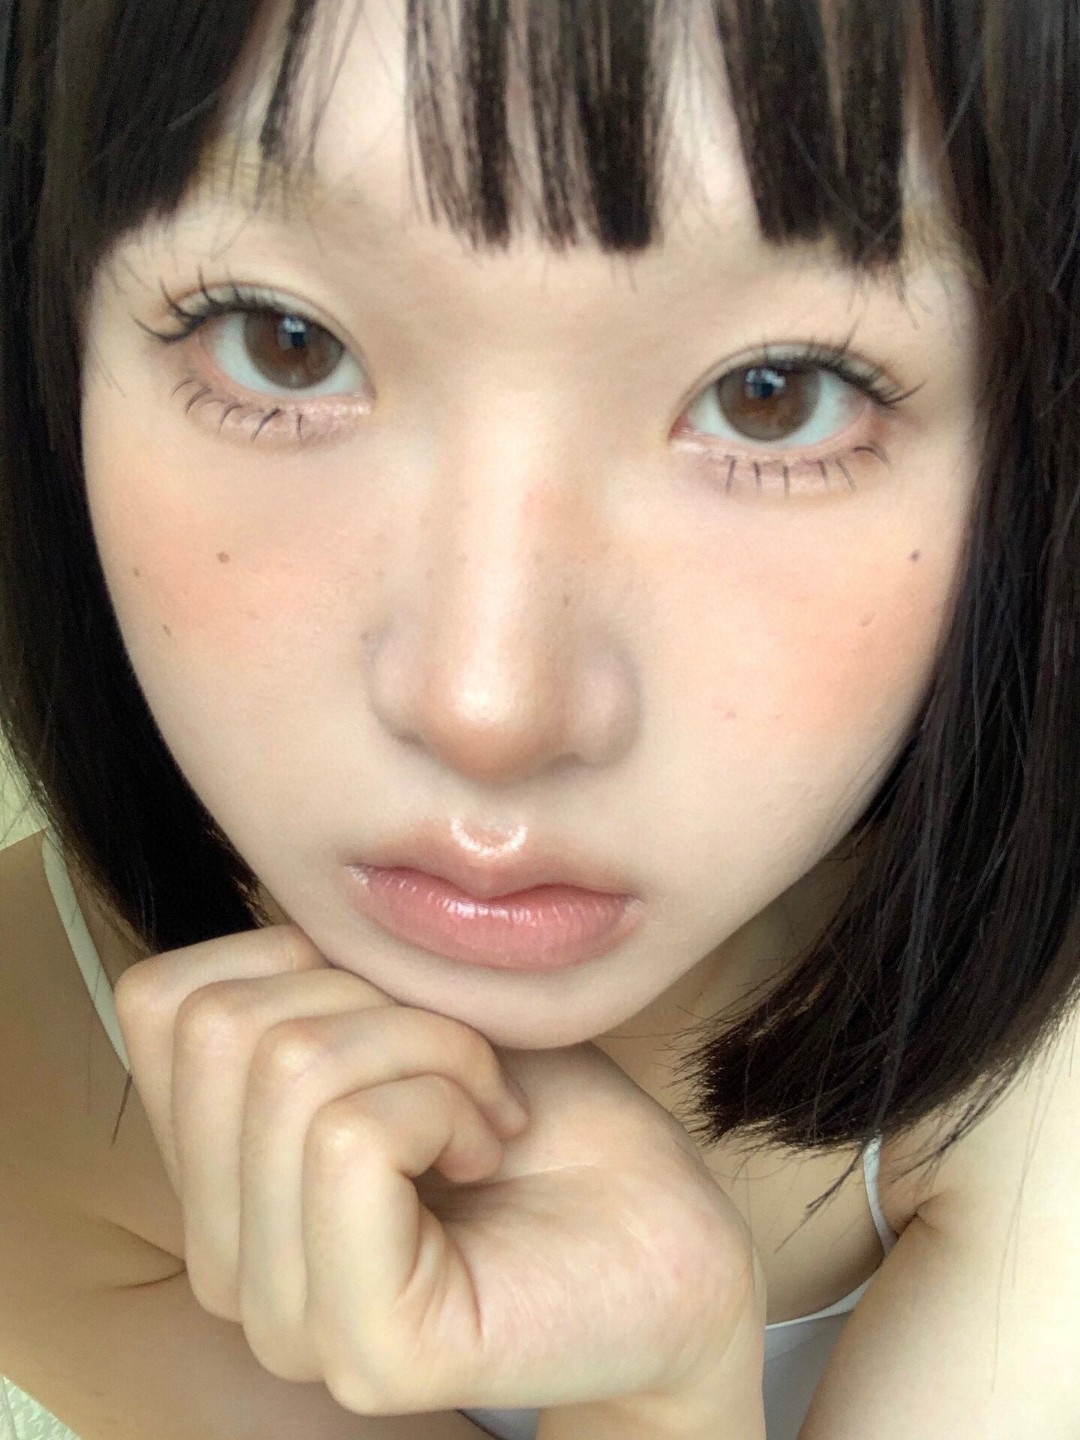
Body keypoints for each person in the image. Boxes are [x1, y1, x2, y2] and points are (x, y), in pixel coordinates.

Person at [2, 0, 1080, 1435]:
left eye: (774, 398)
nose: (489, 706)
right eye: (284, 343)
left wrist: (662, 1377)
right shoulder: (31, 1074)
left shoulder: (1051, 1056)